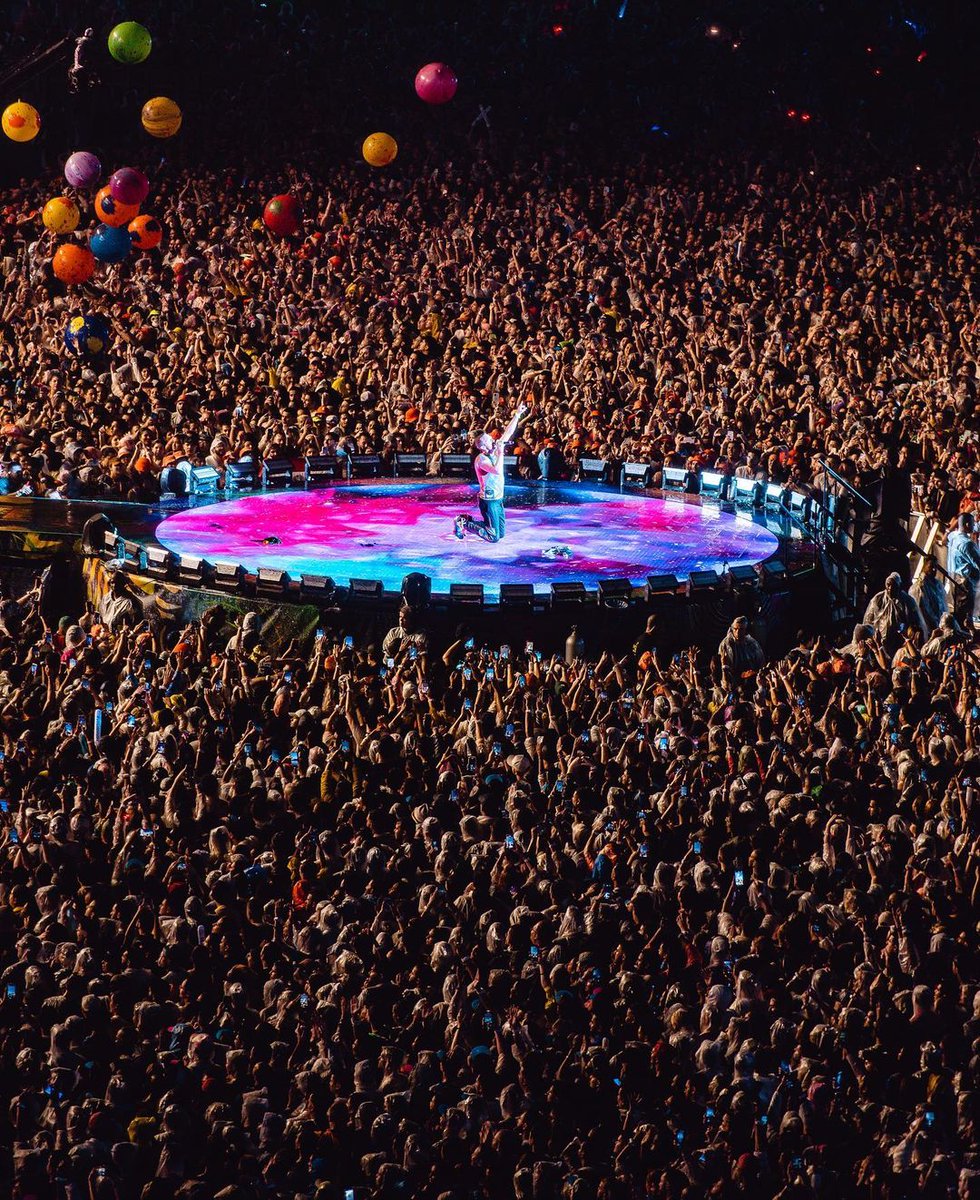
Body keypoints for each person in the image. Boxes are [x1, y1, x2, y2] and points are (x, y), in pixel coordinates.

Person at [454, 403, 527, 544]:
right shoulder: (481, 460)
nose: (493, 441)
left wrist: (517, 415)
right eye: (489, 440)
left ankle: (467, 520)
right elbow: (497, 470)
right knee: (493, 537)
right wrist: (500, 452)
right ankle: (462, 522)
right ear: (482, 446)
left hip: (498, 498)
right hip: (489, 501)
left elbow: (508, 432)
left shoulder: (494, 450)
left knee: (501, 534)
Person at [947, 512, 980, 628]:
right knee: (965, 613)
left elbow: (949, 535)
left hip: (952, 577)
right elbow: (978, 563)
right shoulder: (967, 544)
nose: (974, 526)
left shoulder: (953, 537)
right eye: (972, 524)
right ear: (967, 525)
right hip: (964, 581)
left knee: (957, 608)